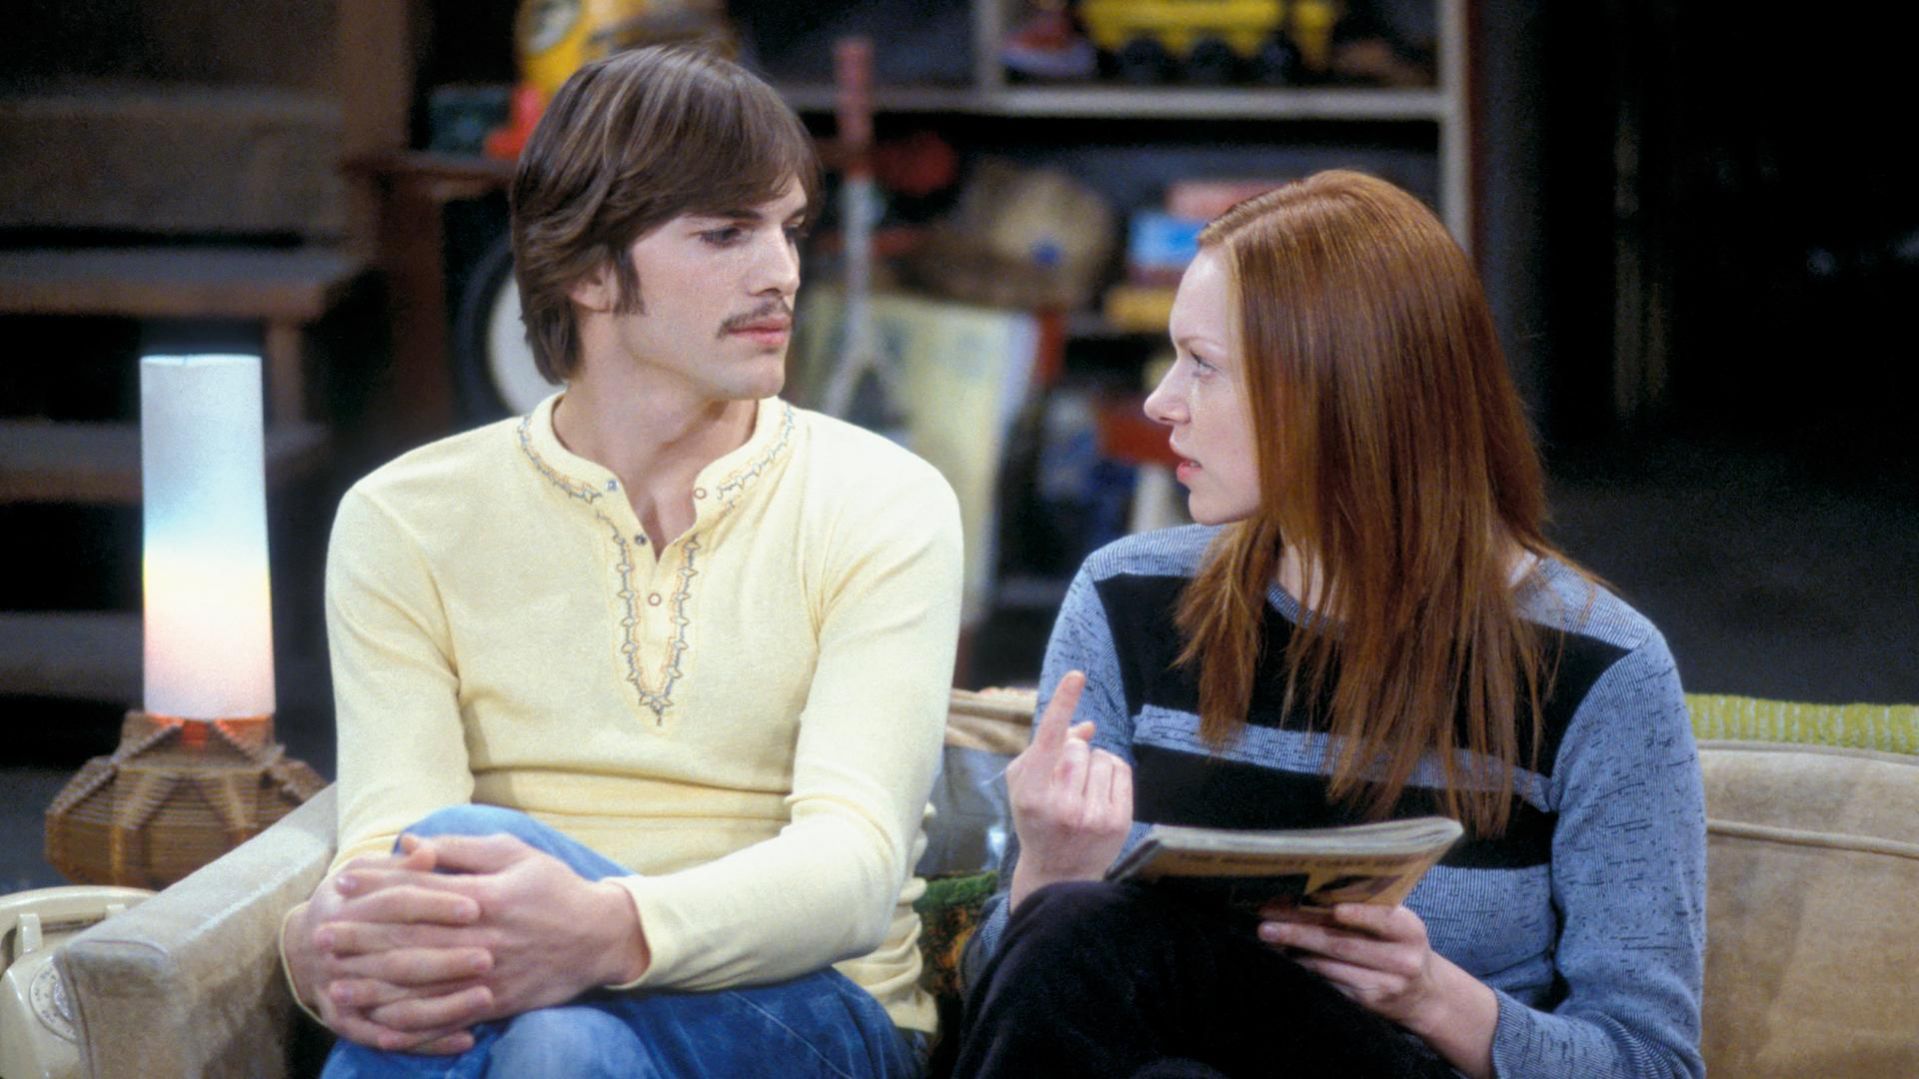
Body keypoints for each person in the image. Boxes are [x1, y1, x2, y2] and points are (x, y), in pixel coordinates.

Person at [278, 45, 963, 1078]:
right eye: (725, 233)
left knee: (481, 900)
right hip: (522, 1017)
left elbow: (855, 872)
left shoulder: (884, 502)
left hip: (814, 1010)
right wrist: (316, 944)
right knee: (556, 1036)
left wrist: (604, 929)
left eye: (787, 230)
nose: (779, 271)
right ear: (590, 270)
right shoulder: (404, 519)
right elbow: (393, 850)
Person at [954, 170, 1706, 1078]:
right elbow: (1018, 1005)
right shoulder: (1127, 600)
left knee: (1098, 936)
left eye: (1201, 364)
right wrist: (1046, 870)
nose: (1160, 402)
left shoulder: (1600, 668)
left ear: (1336, 389)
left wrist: (1432, 995)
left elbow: (1649, 1061)